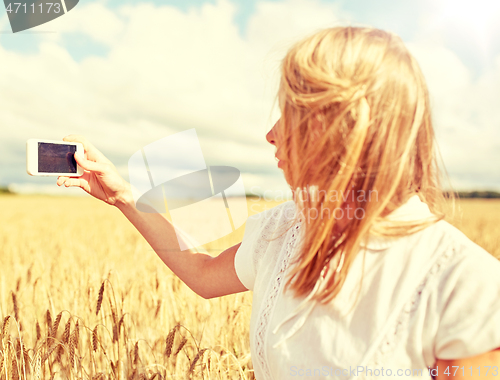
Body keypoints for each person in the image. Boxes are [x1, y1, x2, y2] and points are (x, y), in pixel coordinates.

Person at [57, 26, 500, 379]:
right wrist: (122, 197)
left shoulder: (464, 283)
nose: (271, 133)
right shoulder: (284, 228)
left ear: (347, 126)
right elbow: (203, 271)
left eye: (292, 111)